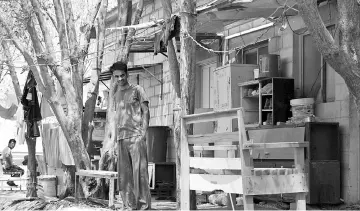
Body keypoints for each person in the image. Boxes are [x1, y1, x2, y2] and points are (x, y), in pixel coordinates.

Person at [111, 61, 151, 210]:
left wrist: (143, 133)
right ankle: (128, 207)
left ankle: (143, 208)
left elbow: (146, 111)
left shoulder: (137, 90)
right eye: (117, 76)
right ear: (113, 77)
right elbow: (117, 118)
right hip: (121, 139)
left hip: (136, 137)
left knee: (140, 175)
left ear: (127, 74)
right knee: (124, 178)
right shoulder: (116, 95)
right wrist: (115, 142)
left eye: (122, 75)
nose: (120, 78)